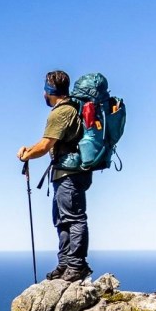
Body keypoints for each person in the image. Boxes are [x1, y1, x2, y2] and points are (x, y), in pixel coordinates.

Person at [17, 70, 92, 283]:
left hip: (70, 172)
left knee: (73, 218)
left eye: (44, 89)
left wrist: (26, 154)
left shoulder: (60, 113)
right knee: (62, 219)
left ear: (50, 90)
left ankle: (76, 265)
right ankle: (66, 263)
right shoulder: (70, 109)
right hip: (68, 172)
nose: (43, 94)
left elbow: (45, 145)